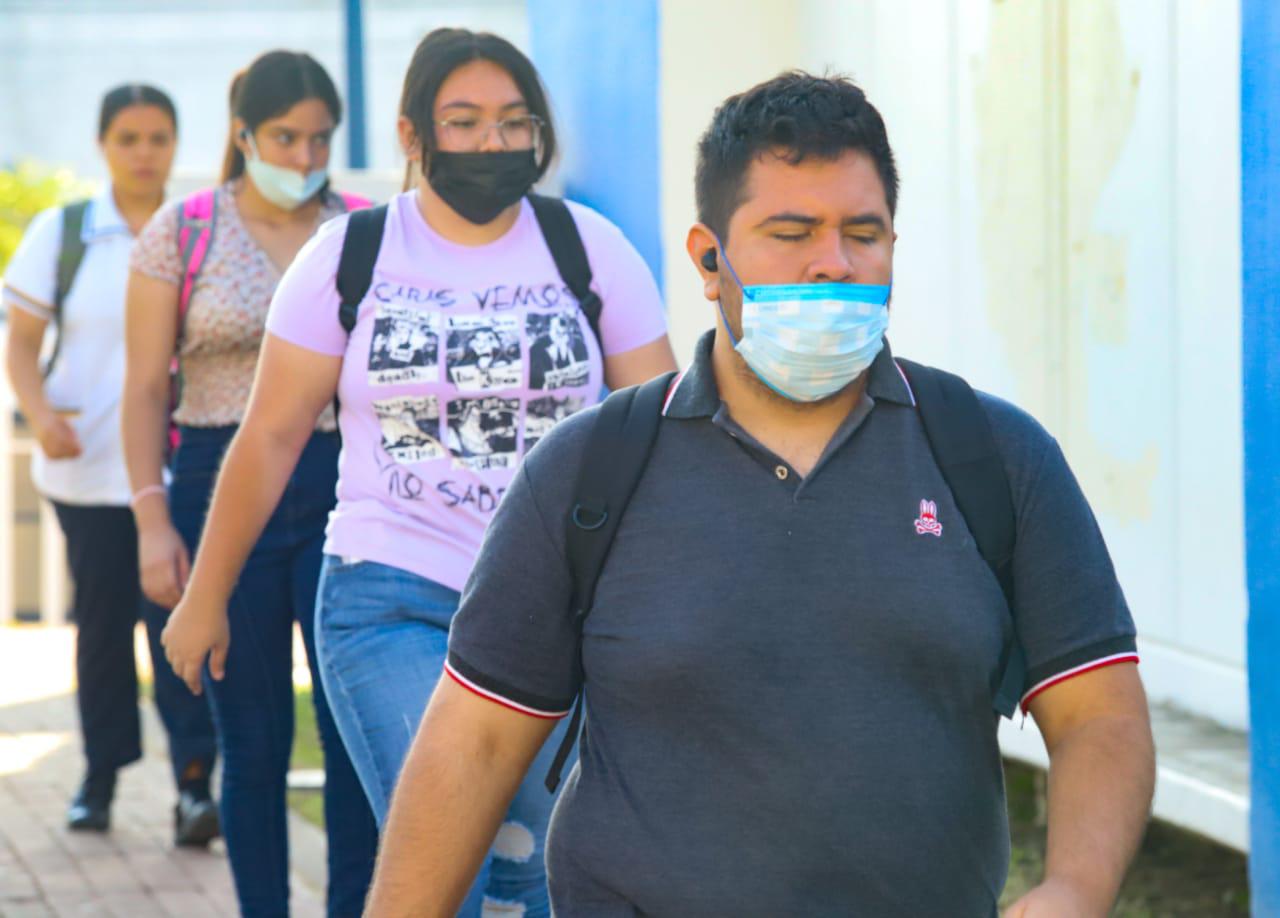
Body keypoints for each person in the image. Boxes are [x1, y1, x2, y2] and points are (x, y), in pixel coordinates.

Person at [364, 72, 1157, 917]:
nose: (835, 263)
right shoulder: (591, 472)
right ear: (710, 258)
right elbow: (474, 742)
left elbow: (1098, 714)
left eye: (864, 232)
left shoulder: (993, 457)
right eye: (792, 232)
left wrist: (1076, 885)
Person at [160, 27, 676, 917]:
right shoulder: (346, 257)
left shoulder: (591, 249)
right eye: (465, 121)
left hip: (557, 607)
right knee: (447, 867)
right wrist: (205, 594)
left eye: (515, 123)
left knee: (544, 871)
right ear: (412, 135)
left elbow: (663, 433)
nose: (492, 144)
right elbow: (270, 438)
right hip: (389, 598)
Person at [121, 52, 378, 917]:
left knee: (352, 736)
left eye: (319, 139)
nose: (304, 156)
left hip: (345, 484)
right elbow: (147, 388)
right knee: (256, 737)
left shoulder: (362, 229)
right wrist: (154, 522)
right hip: (218, 484)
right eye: (284, 137)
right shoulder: (184, 230)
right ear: (243, 135)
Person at [3, 84, 220, 844]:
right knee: (101, 631)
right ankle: (99, 779)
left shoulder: (199, 231)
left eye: (159, 137)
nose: (144, 152)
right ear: (103, 145)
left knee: (183, 627)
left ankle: (196, 783)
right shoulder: (64, 233)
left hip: (178, 473)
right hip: (88, 475)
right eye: (128, 138)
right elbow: (21, 345)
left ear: (175, 145)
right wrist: (38, 412)